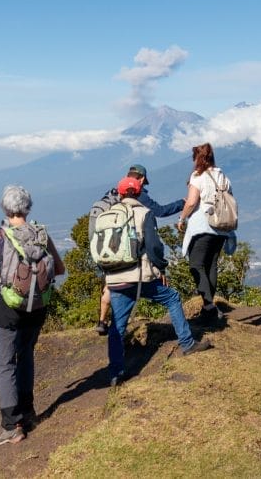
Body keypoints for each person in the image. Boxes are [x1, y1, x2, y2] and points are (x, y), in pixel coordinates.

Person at [0, 185, 65, 445]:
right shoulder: (41, 234)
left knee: (6, 363)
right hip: (37, 306)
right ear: (28, 207)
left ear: (5, 208)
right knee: (25, 354)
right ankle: (28, 412)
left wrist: (3, 273)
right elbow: (59, 269)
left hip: (10, 307)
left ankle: (11, 425)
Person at [107, 176, 213, 386]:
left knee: (117, 325)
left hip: (115, 278)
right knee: (172, 298)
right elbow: (154, 247)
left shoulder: (108, 215)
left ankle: (116, 372)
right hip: (139, 276)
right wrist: (160, 269)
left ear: (120, 194)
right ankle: (187, 343)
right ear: (139, 193)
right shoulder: (144, 213)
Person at [94, 163, 184, 335]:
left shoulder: (112, 199)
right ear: (141, 180)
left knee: (117, 320)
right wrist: (182, 204)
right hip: (136, 271)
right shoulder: (141, 204)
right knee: (172, 298)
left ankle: (103, 325)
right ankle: (187, 343)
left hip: (111, 262)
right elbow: (158, 218)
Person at [177, 143, 236, 324]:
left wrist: (182, 218)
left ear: (198, 158)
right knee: (211, 265)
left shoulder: (198, 176)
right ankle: (208, 306)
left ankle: (209, 306)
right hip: (221, 228)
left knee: (195, 265)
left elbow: (192, 201)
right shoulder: (223, 177)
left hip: (203, 226)